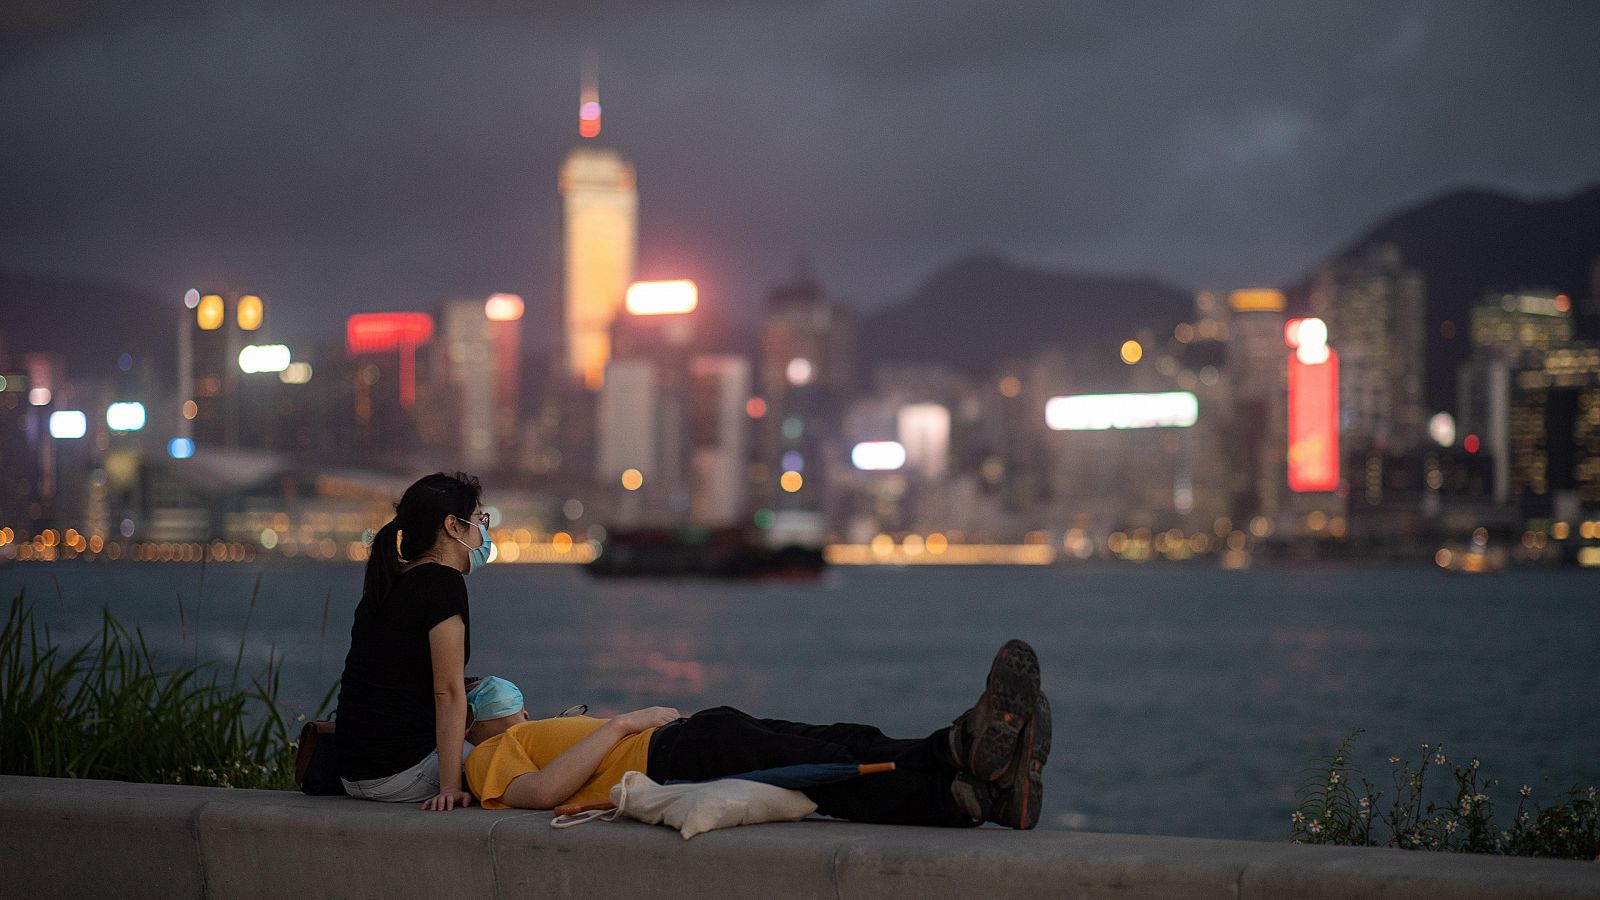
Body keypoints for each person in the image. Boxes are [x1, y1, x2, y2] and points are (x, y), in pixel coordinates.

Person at [462, 640, 1051, 829]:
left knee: (844, 737)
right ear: (468, 722)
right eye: (484, 693)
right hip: (676, 751)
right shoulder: (486, 752)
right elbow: (537, 794)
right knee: (821, 768)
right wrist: (624, 721)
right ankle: (958, 770)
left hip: (694, 733)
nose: (505, 697)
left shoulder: (532, 726)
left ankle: (986, 787)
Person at [335, 472, 494, 812]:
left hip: (351, 772)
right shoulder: (442, 582)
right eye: (480, 520)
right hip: (400, 773)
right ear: (453, 526)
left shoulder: (389, 583)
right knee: (517, 758)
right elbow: (446, 692)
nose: (483, 532)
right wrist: (450, 787)